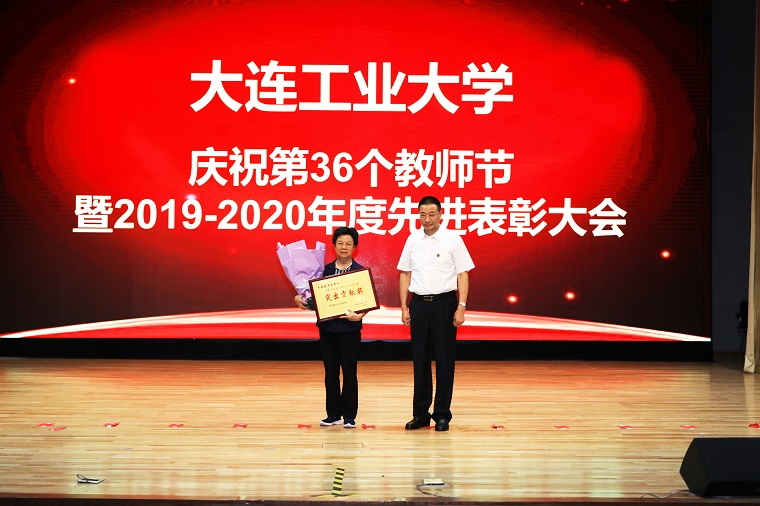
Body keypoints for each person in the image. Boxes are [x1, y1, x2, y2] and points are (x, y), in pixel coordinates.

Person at [397, 196, 474, 432]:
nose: (427, 219)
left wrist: (461, 306)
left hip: (444, 304)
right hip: (419, 305)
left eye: (432, 214)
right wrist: (404, 306)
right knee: (420, 361)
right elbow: (405, 274)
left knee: (444, 360)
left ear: (440, 214)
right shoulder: (412, 239)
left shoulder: (453, 239)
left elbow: (463, 274)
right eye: (423, 214)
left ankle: (442, 414)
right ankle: (421, 414)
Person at [295, 227, 365, 429]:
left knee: (349, 373)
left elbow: (366, 301)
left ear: (354, 247)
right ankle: (333, 414)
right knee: (331, 373)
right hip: (328, 328)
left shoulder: (359, 271)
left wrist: (360, 315)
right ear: (334, 245)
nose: (344, 247)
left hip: (350, 329)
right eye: (340, 243)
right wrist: (299, 298)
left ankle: (349, 416)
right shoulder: (322, 271)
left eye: (348, 243)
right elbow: (311, 298)